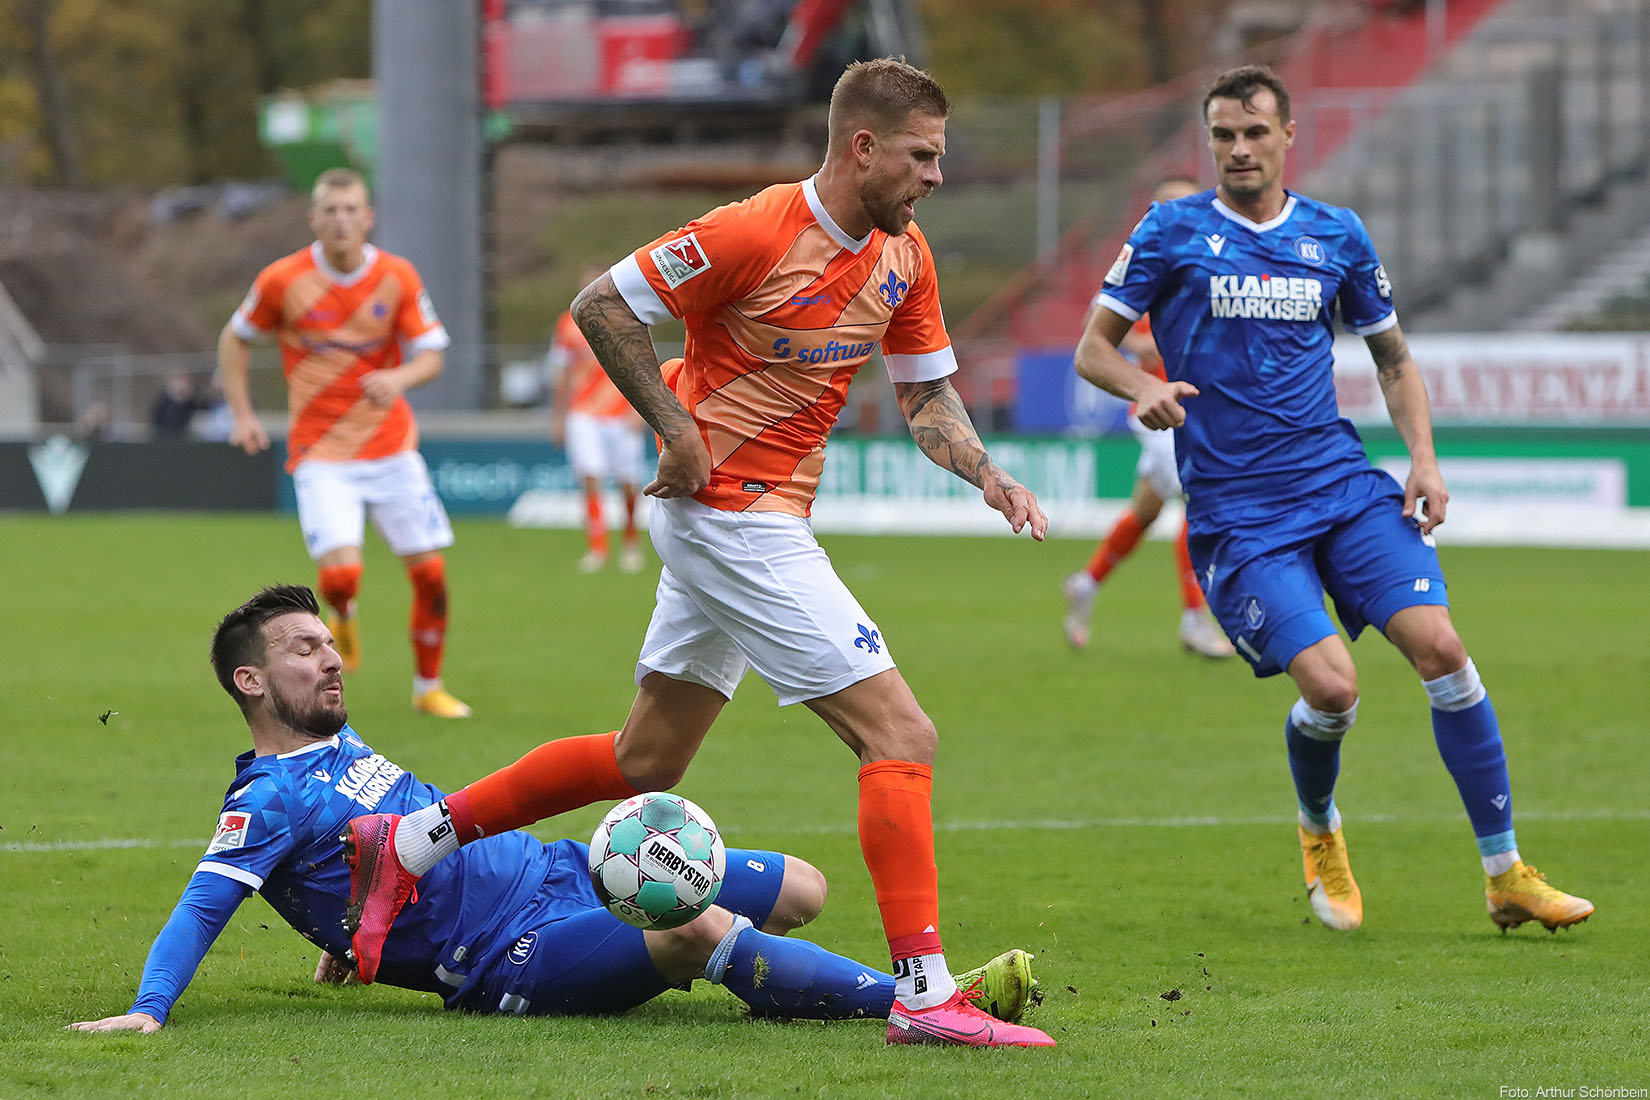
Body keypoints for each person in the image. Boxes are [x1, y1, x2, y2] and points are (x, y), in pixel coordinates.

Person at [340, 57, 1055, 1048]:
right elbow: (602, 303)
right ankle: (926, 992)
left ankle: (406, 839)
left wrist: (984, 472)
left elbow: (926, 395)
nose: (936, 175)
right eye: (922, 157)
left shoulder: (906, 256)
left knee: (646, 756)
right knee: (902, 734)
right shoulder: (754, 230)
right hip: (729, 512)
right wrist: (678, 429)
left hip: (766, 519)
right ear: (863, 148)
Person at [1072, 64, 1593, 933]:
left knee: (1442, 647)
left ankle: (1506, 872)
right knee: (1335, 689)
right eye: (1223, 136)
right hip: (1241, 512)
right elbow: (1095, 346)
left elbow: (1393, 359)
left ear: (1287, 136)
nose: (1239, 149)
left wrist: (1423, 461)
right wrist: (1138, 385)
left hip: (1341, 484)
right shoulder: (1169, 231)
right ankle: (1320, 831)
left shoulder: (1337, 235)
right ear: (1211, 143)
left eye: (1254, 133)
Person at [68, 585, 1041, 1033]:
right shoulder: (263, 797)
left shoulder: (340, 746)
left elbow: (362, 854)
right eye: (300, 648)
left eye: (328, 642)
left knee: (805, 886)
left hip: (562, 866)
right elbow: (207, 900)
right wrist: (148, 1010)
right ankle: (926, 1001)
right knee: (691, 925)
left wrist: (348, 924)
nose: (328, 657)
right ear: (250, 676)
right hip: (509, 954)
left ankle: (829, 977)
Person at [217, 167, 471, 719]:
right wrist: (242, 414)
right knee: (339, 575)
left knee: (430, 575)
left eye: (351, 209)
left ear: (367, 217)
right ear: (314, 219)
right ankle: (344, 614)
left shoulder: (398, 276)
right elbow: (234, 339)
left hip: (391, 448)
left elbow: (432, 352)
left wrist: (398, 379)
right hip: (322, 452)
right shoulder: (283, 279)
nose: (341, 220)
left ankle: (429, 687)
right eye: (330, 210)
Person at [1061, 177, 1235, 659]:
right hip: (1161, 411)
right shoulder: (1147, 262)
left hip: (1198, 408)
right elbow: (1097, 326)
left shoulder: (1207, 263)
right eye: (1171, 204)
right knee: (1198, 507)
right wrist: (1139, 345)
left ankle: (1086, 583)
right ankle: (1195, 619)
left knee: (1146, 511)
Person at [549, 265, 648, 574]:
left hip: (621, 412)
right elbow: (562, 374)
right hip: (583, 413)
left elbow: (644, 369)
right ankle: (598, 549)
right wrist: (559, 417)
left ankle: (631, 544)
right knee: (590, 478)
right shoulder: (567, 324)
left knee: (628, 484)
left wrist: (640, 410)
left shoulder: (627, 319)